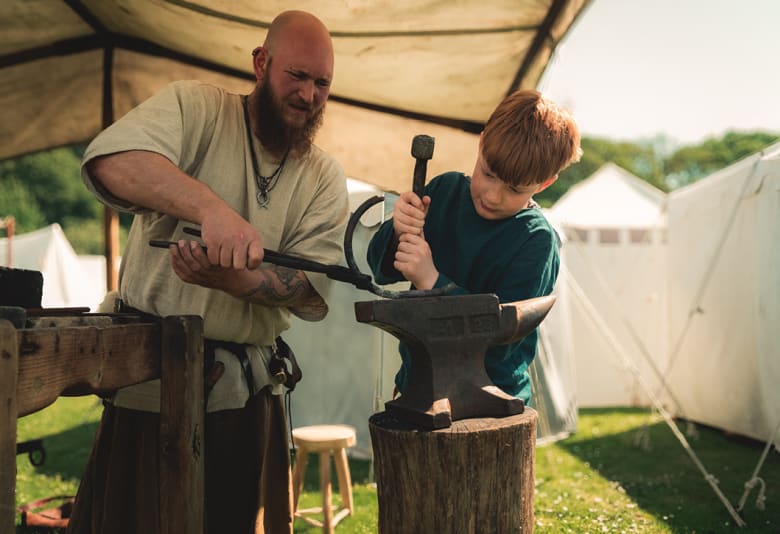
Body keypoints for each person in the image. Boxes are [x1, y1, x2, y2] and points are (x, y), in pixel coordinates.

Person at [67, 10, 348, 534]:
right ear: (261, 63)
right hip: (150, 381)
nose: (309, 95)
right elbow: (110, 160)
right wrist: (210, 209)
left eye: (321, 83)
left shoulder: (324, 176)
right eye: (297, 76)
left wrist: (237, 282)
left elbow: (310, 286)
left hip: (243, 398)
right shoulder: (195, 108)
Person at [366, 89, 581, 404]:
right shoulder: (444, 192)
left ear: (544, 183)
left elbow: (499, 337)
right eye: (488, 174)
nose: (493, 196)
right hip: (416, 388)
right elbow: (379, 269)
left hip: (491, 405)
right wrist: (400, 230)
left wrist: (432, 281)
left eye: (514, 189)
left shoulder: (536, 241)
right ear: (481, 144)